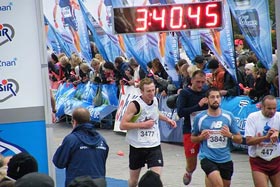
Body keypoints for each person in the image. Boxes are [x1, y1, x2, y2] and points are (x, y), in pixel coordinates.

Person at [119, 78, 177, 187]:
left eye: (153, 90)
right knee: (134, 181)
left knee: (155, 180)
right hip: (137, 146)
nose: (151, 93)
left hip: (153, 144)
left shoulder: (155, 100)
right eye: (148, 91)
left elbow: (155, 112)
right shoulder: (135, 105)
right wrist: (142, 125)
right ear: (141, 91)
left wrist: (167, 119)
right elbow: (122, 125)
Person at [191, 87, 242, 187]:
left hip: (225, 159)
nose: (215, 100)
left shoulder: (228, 116)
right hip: (207, 158)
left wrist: (229, 135)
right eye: (212, 97)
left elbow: (239, 139)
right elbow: (193, 138)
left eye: (218, 97)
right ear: (207, 100)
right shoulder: (200, 118)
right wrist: (201, 138)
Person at [53, 107, 109, 187]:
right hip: (98, 184)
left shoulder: (71, 140)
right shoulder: (102, 140)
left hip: (76, 184)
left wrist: (61, 147)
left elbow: (59, 163)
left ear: (74, 122)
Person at [176, 70, 208, 185]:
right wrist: (198, 106)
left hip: (206, 131)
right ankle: (189, 172)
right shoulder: (185, 94)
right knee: (192, 164)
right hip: (190, 131)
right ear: (192, 81)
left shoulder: (206, 92)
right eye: (198, 82)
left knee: (210, 162)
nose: (200, 85)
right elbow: (180, 113)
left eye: (202, 82)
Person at [245, 95, 280, 187]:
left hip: (276, 159)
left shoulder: (279, 117)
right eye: (269, 108)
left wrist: (278, 133)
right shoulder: (253, 118)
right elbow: (248, 141)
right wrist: (265, 137)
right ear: (262, 107)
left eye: (274, 108)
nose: (272, 111)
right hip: (258, 160)